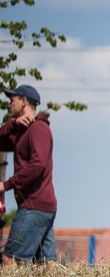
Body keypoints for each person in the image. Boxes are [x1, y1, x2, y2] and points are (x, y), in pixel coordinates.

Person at [0, 85, 56, 266]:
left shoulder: (38, 129)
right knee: (47, 266)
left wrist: (6, 185)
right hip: (41, 206)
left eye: (12, 100)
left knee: (10, 259)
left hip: (33, 206)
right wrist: (12, 124)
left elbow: (37, 165)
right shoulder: (21, 131)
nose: (9, 105)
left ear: (23, 101)